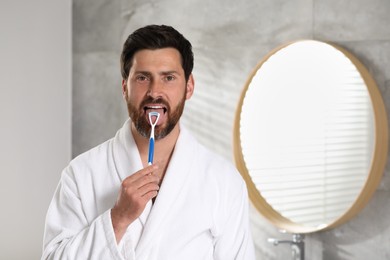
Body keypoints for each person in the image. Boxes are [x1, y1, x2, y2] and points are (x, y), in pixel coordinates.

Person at [42, 24, 255, 260]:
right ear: (125, 88)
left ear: (189, 87)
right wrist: (118, 219)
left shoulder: (223, 181)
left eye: (169, 78)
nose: (155, 91)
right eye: (143, 78)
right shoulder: (81, 174)